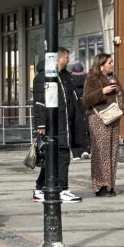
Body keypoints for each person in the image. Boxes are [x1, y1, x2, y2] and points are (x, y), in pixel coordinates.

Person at [31, 48, 82, 202]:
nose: (68, 60)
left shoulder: (65, 76)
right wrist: (40, 125)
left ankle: (40, 188)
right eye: (67, 57)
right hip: (53, 125)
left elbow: (71, 99)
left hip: (64, 124)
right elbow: (39, 102)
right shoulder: (43, 77)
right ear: (59, 58)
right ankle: (62, 188)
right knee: (61, 157)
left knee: (52, 159)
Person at [83, 52, 124, 197]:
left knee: (112, 152)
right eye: (109, 62)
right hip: (99, 120)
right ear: (101, 66)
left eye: (112, 62)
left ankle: (110, 185)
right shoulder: (92, 78)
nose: (112, 65)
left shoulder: (113, 77)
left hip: (114, 118)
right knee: (101, 152)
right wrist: (102, 91)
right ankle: (100, 186)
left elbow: (121, 95)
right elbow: (87, 100)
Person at [68, 62, 90, 159]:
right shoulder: (87, 80)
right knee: (86, 128)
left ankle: (76, 152)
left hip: (74, 107)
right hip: (85, 106)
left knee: (74, 129)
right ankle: (86, 150)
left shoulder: (69, 80)